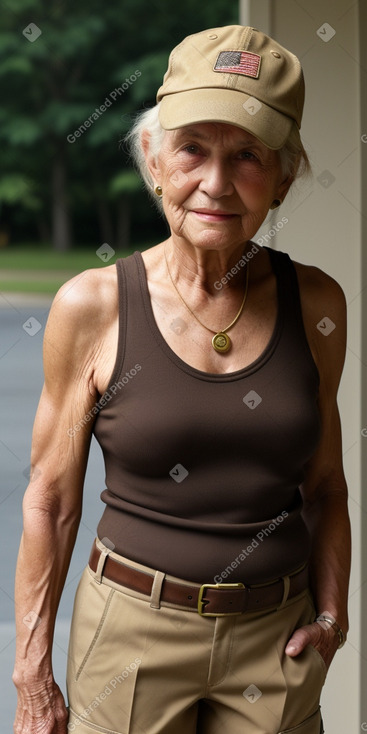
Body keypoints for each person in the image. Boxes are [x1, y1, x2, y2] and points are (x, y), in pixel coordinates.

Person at [13, 24, 351, 734]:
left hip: (274, 642)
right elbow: (49, 498)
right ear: (152, 157)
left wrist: (330, 613)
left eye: (248, 157)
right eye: (192, 147)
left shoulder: (318, 304)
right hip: (130, 638)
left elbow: (324, 485)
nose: (216, 184)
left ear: (285, 176)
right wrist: (32, 673)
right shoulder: (93, 304)